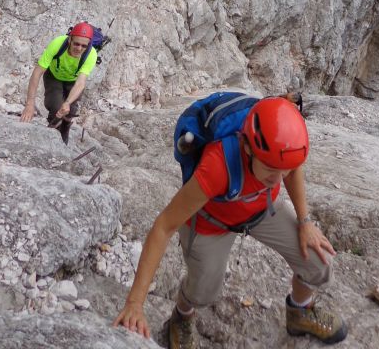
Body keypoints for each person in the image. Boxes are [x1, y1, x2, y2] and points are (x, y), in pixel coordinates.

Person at [113, 96, 348, 348]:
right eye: (270, 168)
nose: (279, 178)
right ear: (247, 147)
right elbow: (163, 226)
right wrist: (135, 303)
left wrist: (305, 221)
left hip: (260, 208)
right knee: (203, 292)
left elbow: (290, 167)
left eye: (285, 169)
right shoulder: (218, 166)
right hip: (211, 222)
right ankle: (181, 316)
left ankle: (300, 312)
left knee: (317, 262)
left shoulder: (279, 154)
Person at [19, 22, 98, 145]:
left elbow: (80, 83)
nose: (79, 48)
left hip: (73, 81)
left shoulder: (91, 54)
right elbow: (37, 73)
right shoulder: (57, 44)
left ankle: (65, 128)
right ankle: (53, 133)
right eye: (76, 43)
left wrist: (67, 103)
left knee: (70, 109)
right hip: (54, 76)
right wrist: (30, 104)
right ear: (70, 39)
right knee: (55, 106)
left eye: (83, 46)